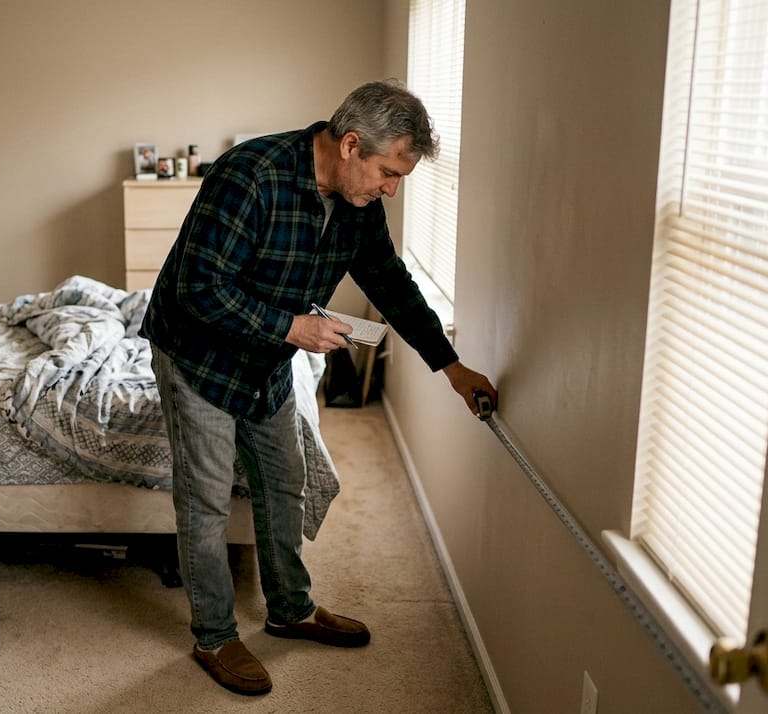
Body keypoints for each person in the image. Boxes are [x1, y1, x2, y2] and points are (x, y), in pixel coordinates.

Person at [140, 78, 499, 696]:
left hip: (268, 359)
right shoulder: (250, 175)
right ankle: (215, 635)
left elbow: (391, 284)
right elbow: (197, 291)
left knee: (284, 481)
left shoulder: (361, 209)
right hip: (198, 356)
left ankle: (290, 610)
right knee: (205, 501)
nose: (390, 188)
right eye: (388, 172)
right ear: (352, 144)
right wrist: (293, 326)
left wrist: (450, 365)